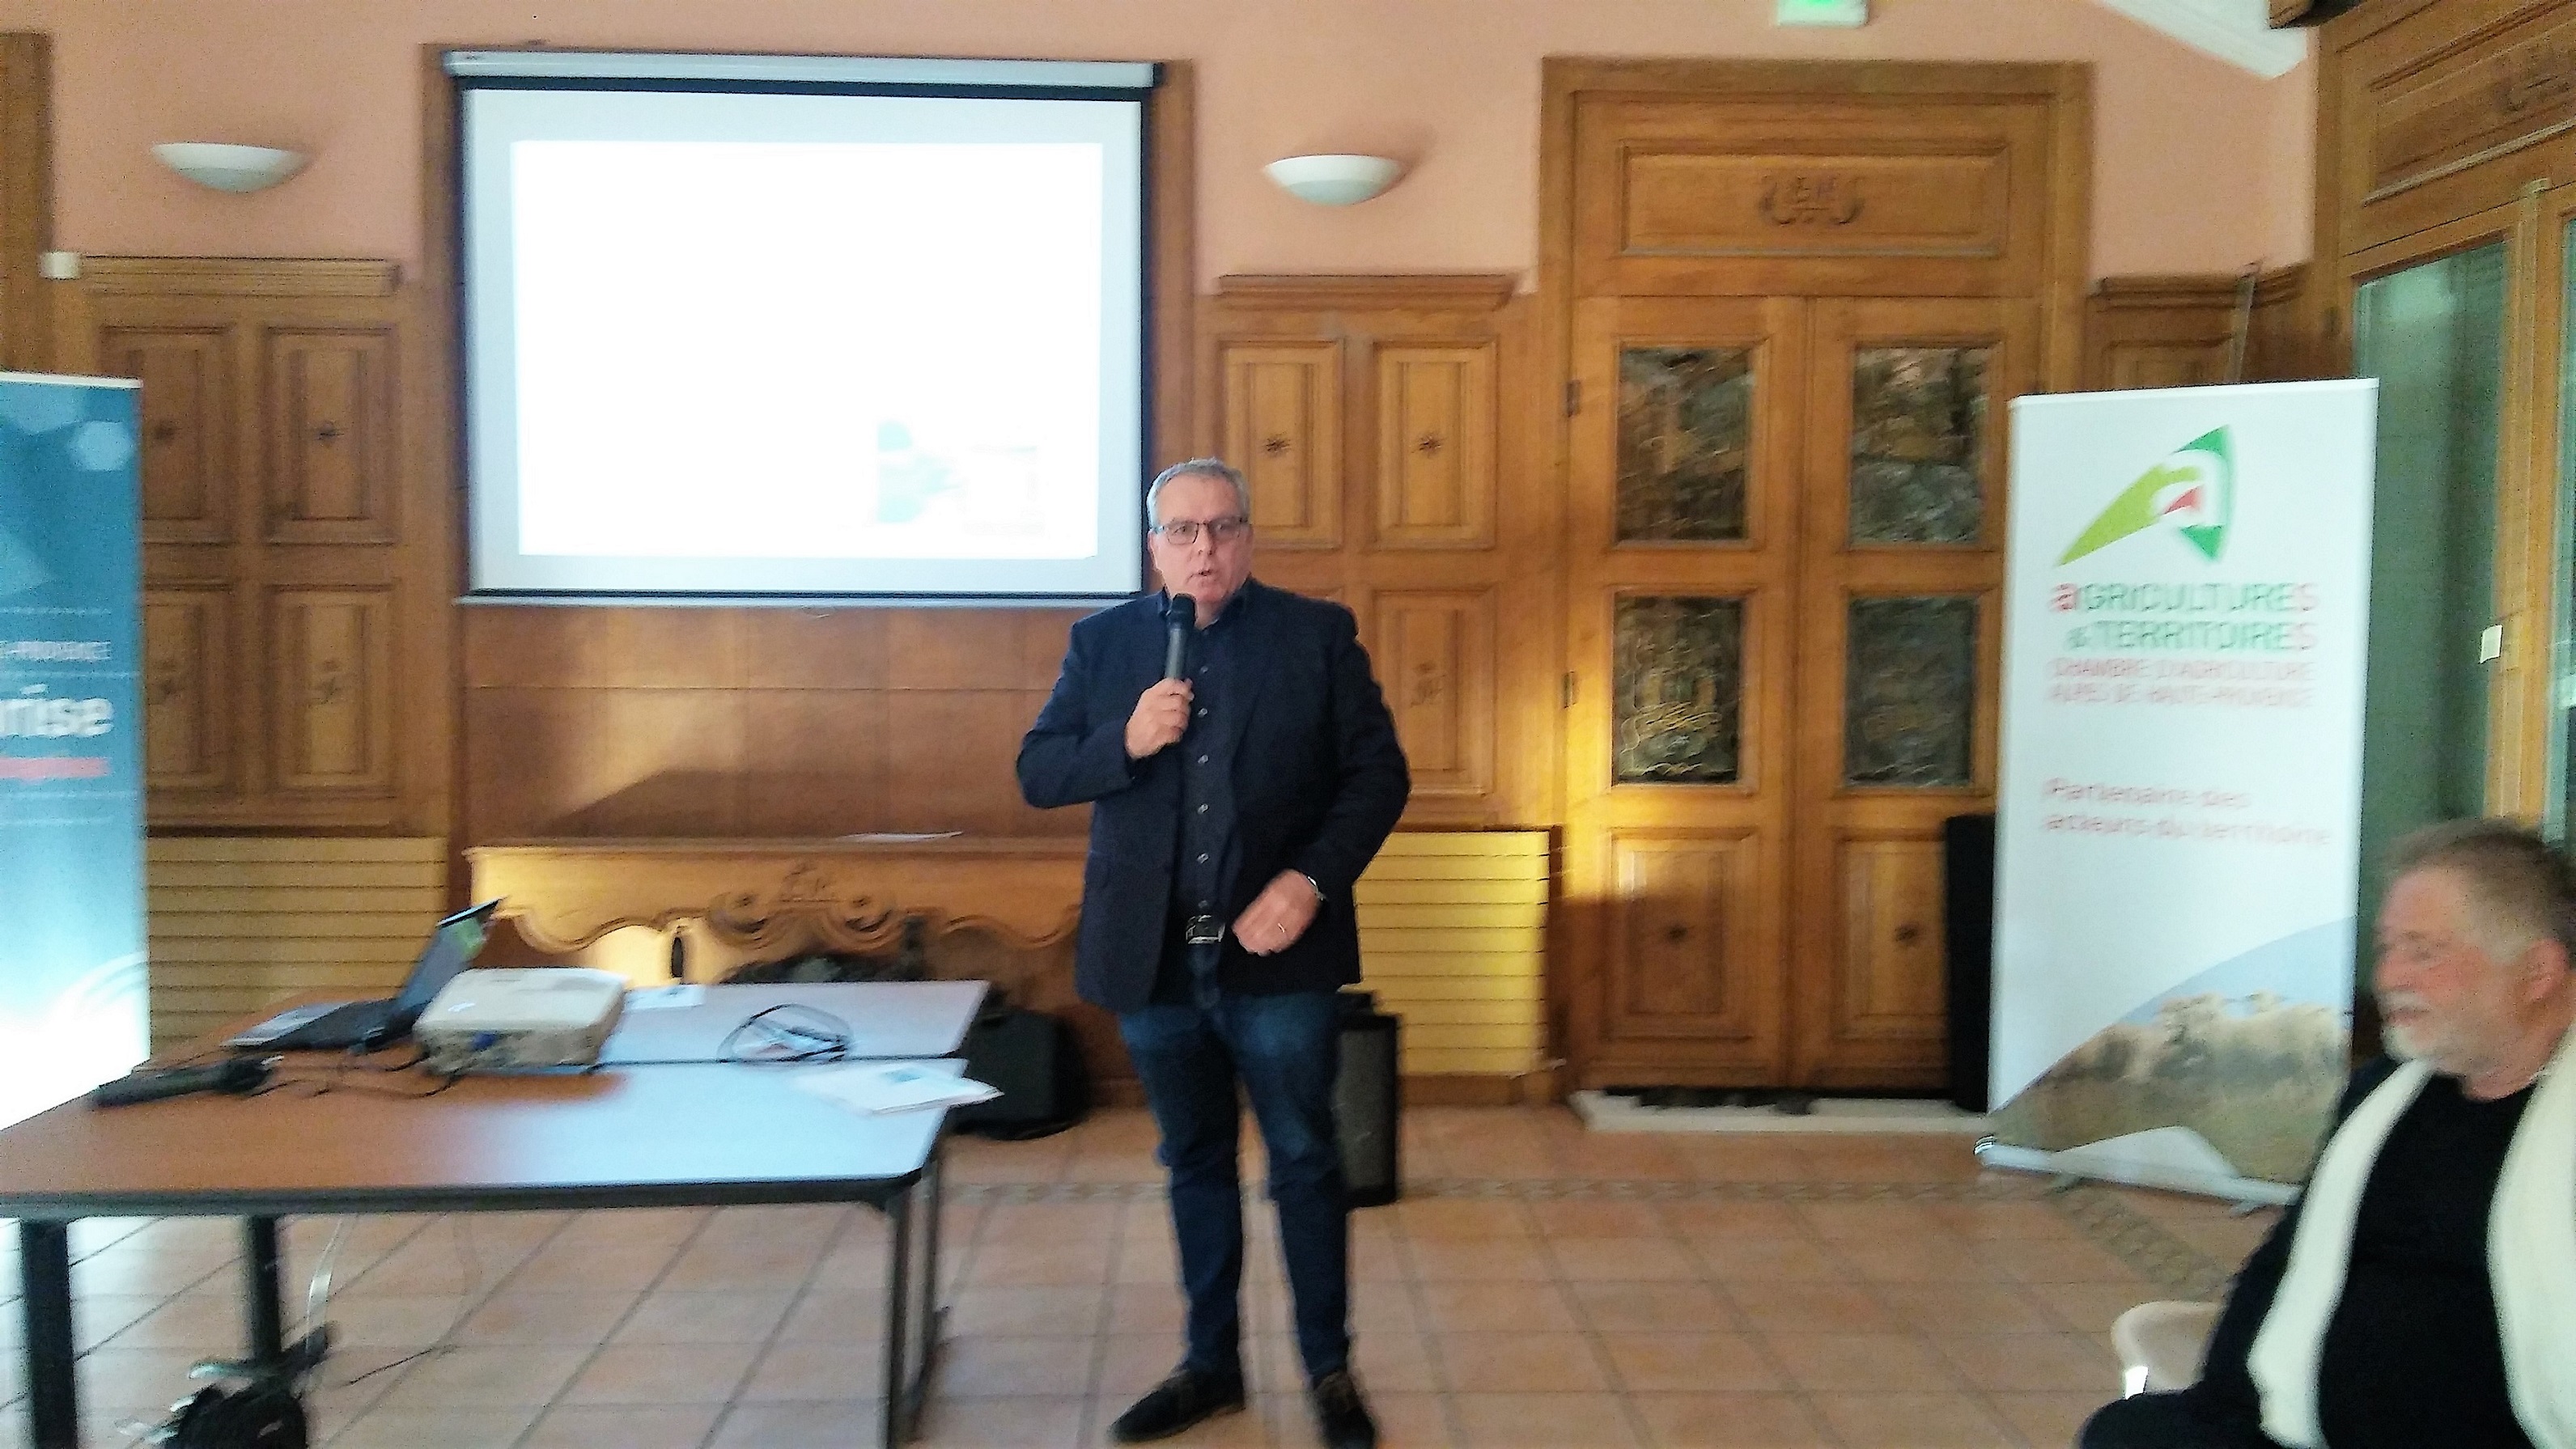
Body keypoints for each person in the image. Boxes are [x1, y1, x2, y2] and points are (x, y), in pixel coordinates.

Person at [1017, 457, 1410, 1449]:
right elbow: (1039, 771)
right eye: (1184, 531)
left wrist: (1310, 881)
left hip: (1278, 960)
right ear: (1153, 546)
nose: (1206, 548)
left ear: (1248, 537)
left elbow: (1378, 777)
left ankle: (1328, 1369)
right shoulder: (1103, 644)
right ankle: (1210, 1366)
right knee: (1194, 1160)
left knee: (1304, 1162)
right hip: (1154, 962)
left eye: (1224, 527)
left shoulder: (1316, 636)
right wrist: (1125, 740)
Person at [2081, 818, 2576, 1449]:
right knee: (2124, 1432)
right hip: (2293, 1425)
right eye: (2388, 947)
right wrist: (2224, 1402)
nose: (2390, 976)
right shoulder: (2388, 1090)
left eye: (2424, 951)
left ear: (2536, 971)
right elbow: (2286, 1258)